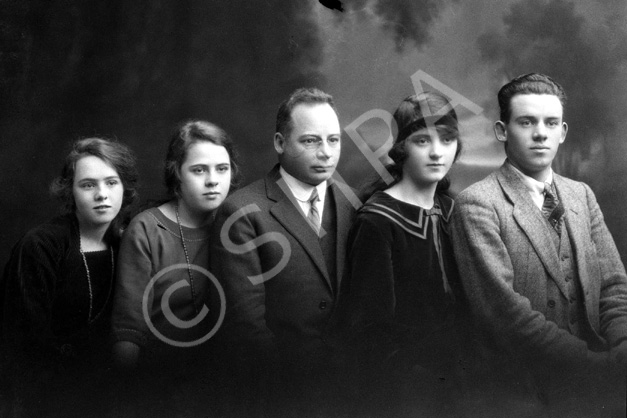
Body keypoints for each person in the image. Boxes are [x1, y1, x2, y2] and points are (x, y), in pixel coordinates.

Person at [451, 73, 627, 416]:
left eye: (551, 123)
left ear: (563, 132)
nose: (540, 133)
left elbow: (613, 286)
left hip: (601, 389)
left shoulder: (581, 195)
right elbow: (503, 315)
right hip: (524, 393)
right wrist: (595, 365)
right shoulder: (477, 204)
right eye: (527, 122)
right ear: (503, 131)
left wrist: (622, 344)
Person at [209, 87, 357, 415]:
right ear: (280, 143)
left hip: (351, 391)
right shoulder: (242, 211)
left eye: (334, 140)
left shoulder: (353, 203)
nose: (326, 152)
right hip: (280, 395)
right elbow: (246, 326)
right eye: (310, 141)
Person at [335, 92, 466, 417]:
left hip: (464, 381)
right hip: (408, 392)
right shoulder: (378, 220)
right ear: (401, 148)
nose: (438, 152)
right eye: (423, 140)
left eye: (447, 139)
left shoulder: (453, 208)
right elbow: (370, 332)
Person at [1, 137, 138, 418]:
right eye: (88, 185)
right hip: (50, 397)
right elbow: (23, 346)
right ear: (70, 192)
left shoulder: (132, 243)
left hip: (113, 395)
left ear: (124, 187)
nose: (102, 194)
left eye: (111, 182)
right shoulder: (40, 246)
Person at [110, 120, 238, 416]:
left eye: (222, 169)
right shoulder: (147, 229)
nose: (212, 181)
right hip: (158, 388)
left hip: (223, 387)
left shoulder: (240, 225)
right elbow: (128, 331)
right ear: (176, 173)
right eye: (198, 170)